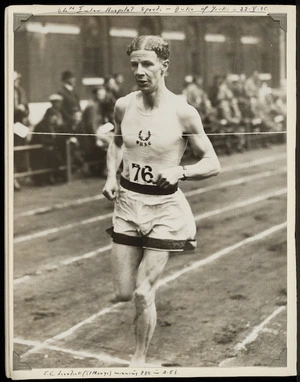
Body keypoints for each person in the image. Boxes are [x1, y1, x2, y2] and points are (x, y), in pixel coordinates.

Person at [102, 35, 221, 367]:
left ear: (164, 67)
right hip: (127, 205)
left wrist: (180, 172)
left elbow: (212, 162)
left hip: (165, 209)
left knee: (142, 294)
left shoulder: (184, 113)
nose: (139, 71)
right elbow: (116, 143)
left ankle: (138, 358)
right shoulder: (124, 105)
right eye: (134, 65)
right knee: (125, 291)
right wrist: (111, 176)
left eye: (147, 64)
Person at [30, 94, 65, 185]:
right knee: (53, 156)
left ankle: (53, 176)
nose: (55, 119)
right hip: (38, 151)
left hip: (46, 149)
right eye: (53, 116)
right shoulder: (41, 126)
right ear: (48, 116)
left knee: (56, 155)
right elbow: (42, 140)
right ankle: (46, 178)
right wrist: (53, 142)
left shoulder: (52, 126)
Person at [14, 71, 30, 190]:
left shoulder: (21, 91)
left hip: (20, 125)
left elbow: (26, 107)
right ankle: (14, 178)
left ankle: (19, 175)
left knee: (20, 151)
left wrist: (23, 110)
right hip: (12, 124)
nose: (17, 82)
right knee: (13, 151)